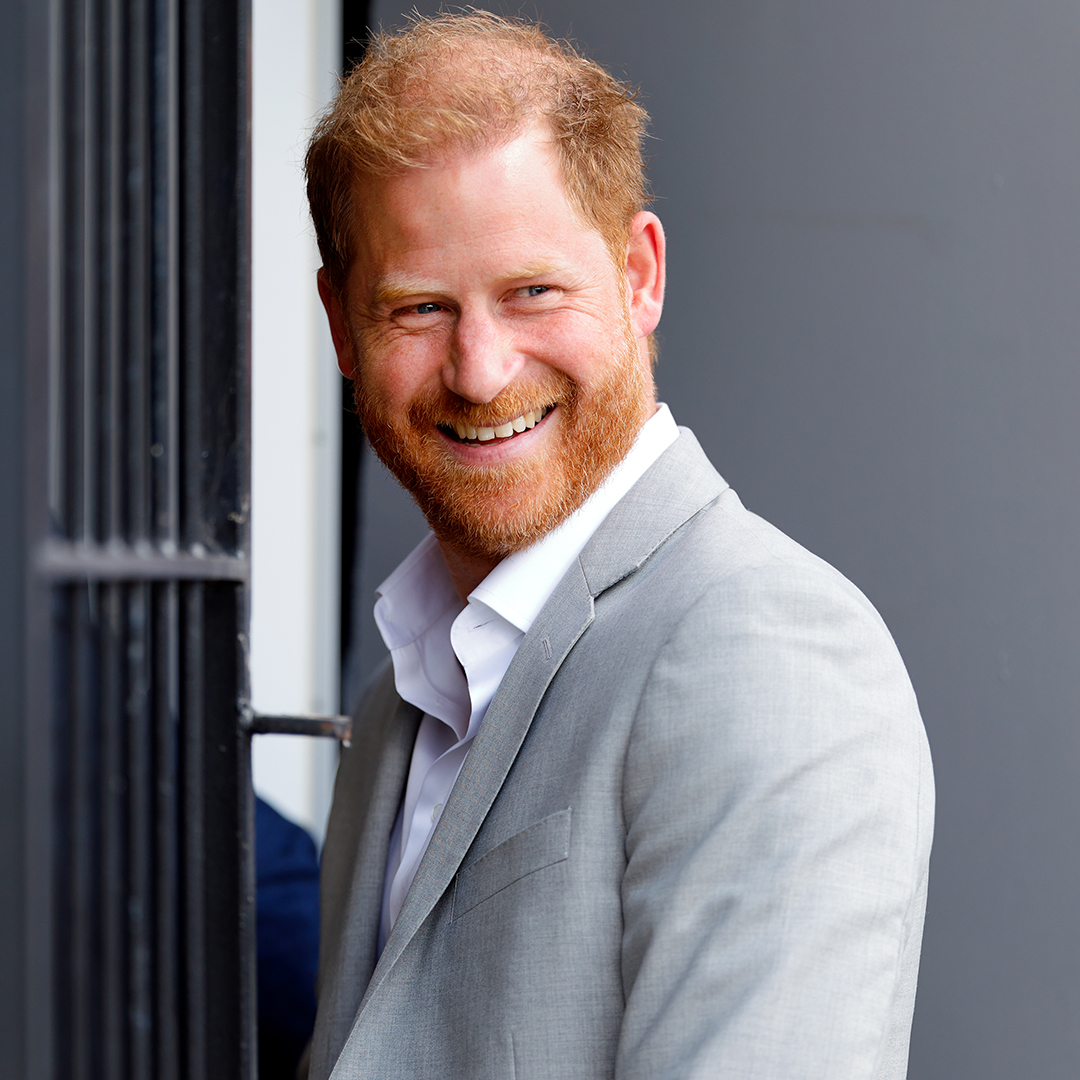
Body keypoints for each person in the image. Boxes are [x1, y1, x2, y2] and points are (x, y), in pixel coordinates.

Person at [304, 12, 934, 1079]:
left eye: (533, 291)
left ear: (640, 277)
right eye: (418, 307)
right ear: (340, 331)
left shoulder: (763, 650)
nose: (481, 370)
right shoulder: (402, 700)